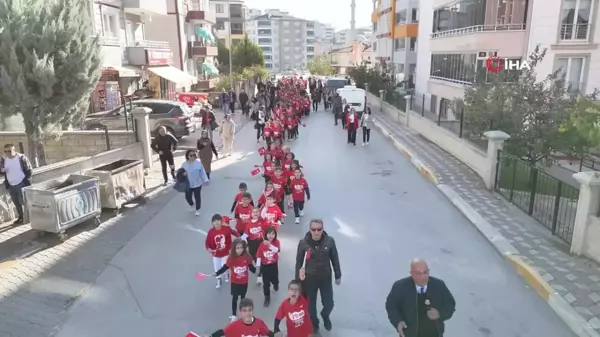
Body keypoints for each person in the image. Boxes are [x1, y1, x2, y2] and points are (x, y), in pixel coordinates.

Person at [385, 259, 456, 337]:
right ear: (412, 274)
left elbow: (450, 304)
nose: (423, 277)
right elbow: (391, 306)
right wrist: (398, 322)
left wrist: (439, 314)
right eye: (419, 273)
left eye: (425, 272)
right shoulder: (400, 287)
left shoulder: (439, 285)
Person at [295, 219, 342, 332]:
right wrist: (297, 282)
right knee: (310, 306)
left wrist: (338, 275)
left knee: (329, 303)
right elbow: (299, 262)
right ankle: (314, 323)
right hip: (309, 278)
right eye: (313, 229)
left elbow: (335, 258)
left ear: (322, 229)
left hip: (325, 277)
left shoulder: (330, 241)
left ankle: (325, 315)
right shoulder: (303, 243)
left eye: (319, 229)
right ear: (310, 230)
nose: (316, 232)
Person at [214, 238, 256, 321]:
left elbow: (251, 268)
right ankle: (233, 315)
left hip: (244, 282)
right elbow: (225, 267)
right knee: (235, 298)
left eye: (241, 247)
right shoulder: (231, 258)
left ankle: (243, 314)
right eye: (237, 248)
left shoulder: (247, 257)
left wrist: (258, 270)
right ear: (234, 249)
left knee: (243, 299)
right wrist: (217, 273)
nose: (240, 250)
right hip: (235, 282)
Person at [201, 298, 275, 337]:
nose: (248, 313)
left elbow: (268, 333)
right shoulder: (235, 325)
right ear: (240, 313)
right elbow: (222, 332)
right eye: (244, 311)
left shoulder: (259, 323)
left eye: (250, 310)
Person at [205, 214, 240, 288]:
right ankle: (218, 279)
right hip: (216, 254)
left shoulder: (226, 229)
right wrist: (208, 249)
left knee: (224, 265)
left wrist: (240, 238)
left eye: (218, 221)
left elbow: (234, 232)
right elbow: (207, 242)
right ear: (212, 223)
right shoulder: (211, 232)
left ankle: (226, 274)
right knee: (217, 267)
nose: (217, 223)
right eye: (215, 221)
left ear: (221, 222)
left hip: (226, 253)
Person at [0, 144, 32, 224]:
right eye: (5, 151)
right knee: (16, 202)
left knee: (23, 201)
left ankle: (29, 217)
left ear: (14, 150)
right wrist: (2, 170)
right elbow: (1, 171)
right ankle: (21, 217)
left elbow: (29, 170)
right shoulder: (3, 159)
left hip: (21, 183)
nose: (7, 153)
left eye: (9, 151)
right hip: (11, 184)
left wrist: (25, 181)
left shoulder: (21, 158)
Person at [181, 149, 210, 216]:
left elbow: (202, 172)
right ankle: (192, 204)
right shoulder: (184, 165)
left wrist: (206, 180)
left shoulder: (198, 164)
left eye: (194, 155)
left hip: (197, 184)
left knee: (197, 197)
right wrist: (183, 175)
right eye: (191, 155)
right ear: (187, 156)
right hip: (188, 184)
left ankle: (197, 209)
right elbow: (181, 173)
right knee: (187, 197)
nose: (193, 157)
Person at [256, 226, 280, 307]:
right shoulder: (262, 245)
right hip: (265, 266)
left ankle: (276, 284)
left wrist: (270, 245)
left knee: (275, 279)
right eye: (269, 234)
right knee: (266, 284)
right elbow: (259, 256)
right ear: (266, 235)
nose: (271, 236)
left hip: (273, 265)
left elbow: (277, 250)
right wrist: (258, 268)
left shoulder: (276, 242)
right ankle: (267, 297)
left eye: (273, 234)